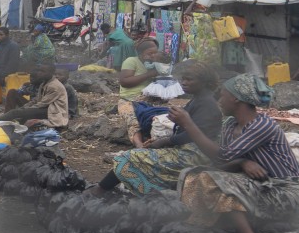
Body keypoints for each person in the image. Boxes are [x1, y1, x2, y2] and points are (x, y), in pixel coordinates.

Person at [170, 74, 299, 233]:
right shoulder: (230, 125)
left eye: (223, 95)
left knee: (215, 181)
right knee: (193, 175)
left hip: (283, 192)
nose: (220, 100)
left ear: (236, 98)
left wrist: (188, 123)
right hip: (260, 187)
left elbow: (223, 156)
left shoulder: (261, 125)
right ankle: (205, 225)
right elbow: (220, 163)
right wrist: (243, 162)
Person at [91, 63, 222, 196]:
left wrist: (164, 141)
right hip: (188, 150)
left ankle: (101, 190)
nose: (184, 82)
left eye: (189, 79)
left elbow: (193, 135)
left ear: (204, 82)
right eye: (183, 79)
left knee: (128, 158)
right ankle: (103, 189)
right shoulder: (199, 100)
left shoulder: (207, 104)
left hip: (195, 156)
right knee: (138, 155)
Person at [0, 63, 69, 128]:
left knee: (16, 113)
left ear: (51, 73)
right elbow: (36, 99)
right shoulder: (44, 83)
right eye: (39, 71)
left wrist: (24, 110)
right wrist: (24, 108)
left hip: (52, 111)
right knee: (18, 112)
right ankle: (4, 120)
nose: (39, 73)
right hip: (44, 109)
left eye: (43, 71)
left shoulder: (54, 86)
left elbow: (42, 103)